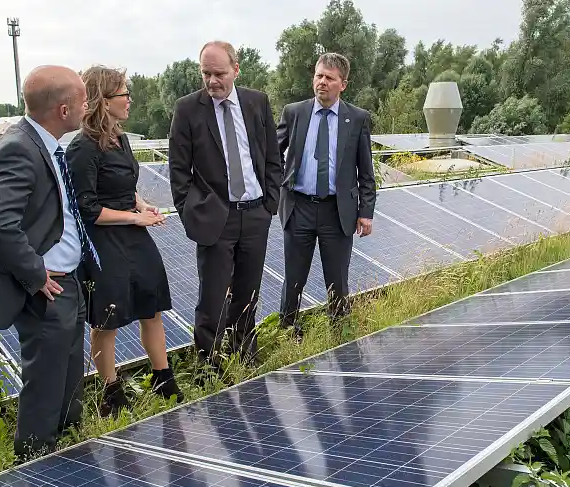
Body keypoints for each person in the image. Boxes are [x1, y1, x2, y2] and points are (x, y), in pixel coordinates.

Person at [0, 65, 94, 461]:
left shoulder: (45, 145)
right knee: (45, 382)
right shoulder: (19, 147)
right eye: (82, 100)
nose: (87, 106)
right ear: (63, 109)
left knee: (66, 377)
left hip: (68, 282)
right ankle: (37, 463)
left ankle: (69, 454)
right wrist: (35, 273)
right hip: (46, 287)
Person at [66, 65, 182, 417]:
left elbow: (125, 187)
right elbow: (85, 208)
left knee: (152, 305)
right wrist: (135, 217)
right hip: (104, 242)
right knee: (108, 318)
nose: (130, 99)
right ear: (103, 100)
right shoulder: (83, 147)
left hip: (134, 236)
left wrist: (141, 204)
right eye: (123, 94)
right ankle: (111, 392)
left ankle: (163, 377)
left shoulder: (121, 137)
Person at [169, 40, 281, 367]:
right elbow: (178, 170)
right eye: (206, 73)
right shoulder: (188, 109)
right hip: (215, 218)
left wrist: (269, 204)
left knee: (248, 294)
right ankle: (211, 367)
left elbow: (272, 156)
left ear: (236, 69)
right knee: (213, 299)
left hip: (255, 214)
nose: (212, 80)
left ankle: (245, 357)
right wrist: (192, 213)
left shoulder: (257, 102)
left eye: (219, 73)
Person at [276, 52, 376, 336]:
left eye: (329, 78)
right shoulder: (294, 112)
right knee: (294, 277)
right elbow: (271, 153)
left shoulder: (357, 119)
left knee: (337, 278)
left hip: (337, 211)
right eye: (319, 76)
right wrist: (278, 184)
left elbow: (365, 170)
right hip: (298, 208)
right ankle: (287, 330)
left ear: (343, 84)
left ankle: (340, 332)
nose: (322, 82)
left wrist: (366, 212)